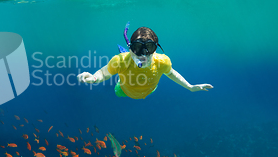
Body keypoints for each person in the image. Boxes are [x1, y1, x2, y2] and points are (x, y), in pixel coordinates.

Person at [77, 26, 213, 99]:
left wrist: (189, 86)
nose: (143, 54)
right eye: (137, 48)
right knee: (117, 91)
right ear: (131, 49)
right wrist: (94, 78)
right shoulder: (120, 61)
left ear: (155, 50)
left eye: (148, 48)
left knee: (151, 89)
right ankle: (120, 77)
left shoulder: (162, 61)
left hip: (150, 90)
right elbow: (103, 73)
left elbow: (171, 73)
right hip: (123, 90)